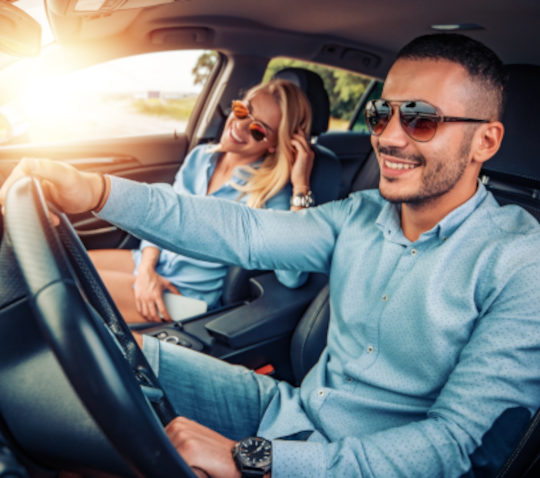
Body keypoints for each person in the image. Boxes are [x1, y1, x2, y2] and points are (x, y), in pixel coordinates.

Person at [2, 33, 540, 478]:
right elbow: (242, 229)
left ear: (486, 141)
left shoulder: (520, 263)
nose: (389, 139)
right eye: (381, 115)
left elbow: (456, 446)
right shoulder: (359, 214)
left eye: (421, 120)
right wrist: (97, 190)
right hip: (288, 409)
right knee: (114, 352)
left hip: (357, 463)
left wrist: (253, 459)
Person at [89, 79, 313, 323]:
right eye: (242, 111)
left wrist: (301, 185)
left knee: (73, 288)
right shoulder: (200, 157)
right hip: (153, 263)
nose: (239, 125)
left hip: (183, 296)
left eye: (258, 130)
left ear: (274, 145)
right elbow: (160, 216)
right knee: (68, 261)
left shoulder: (270, 195)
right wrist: (146, 269)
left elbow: (292, 277)